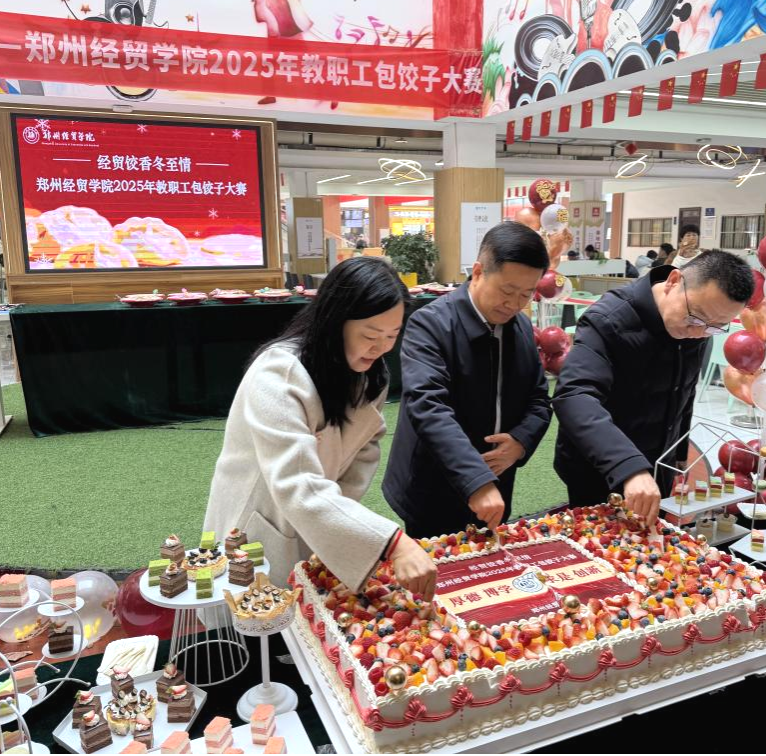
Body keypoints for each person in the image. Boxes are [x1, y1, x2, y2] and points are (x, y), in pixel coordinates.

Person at [204, 257, 437, 598]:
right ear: (335, 321)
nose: (382, 347)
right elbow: (296, 482)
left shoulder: (370, 377)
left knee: (306, 611)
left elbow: (363, 454)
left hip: (318, 515)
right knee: (252, 611)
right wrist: (391, 542)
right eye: (370, 335)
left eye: (392, 335)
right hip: (258, 522)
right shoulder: (280, 373)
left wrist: (339, 525)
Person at [553, 251, 755, 524]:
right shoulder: (608, 319)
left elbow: (684, 389)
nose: (699, 333)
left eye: (715, 327)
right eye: (695, 318)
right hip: (601, 464)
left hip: (660, 463)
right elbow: (575, 395)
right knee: (600, 541)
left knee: (650, 542)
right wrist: (629, 467)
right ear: (673, 281)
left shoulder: (701, 322)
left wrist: (679, 452)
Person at [384, 222, 553, 537]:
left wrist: (521, 441)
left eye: (526, 294)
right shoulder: (431, 324)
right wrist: (476, 479)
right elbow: (428, 406)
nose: (515, 304)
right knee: (438, 559)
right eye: (507, 291)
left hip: (497, 482)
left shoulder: (519, 327)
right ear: (478, 272)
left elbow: (540, 399)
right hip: (435, 485)